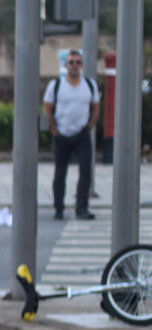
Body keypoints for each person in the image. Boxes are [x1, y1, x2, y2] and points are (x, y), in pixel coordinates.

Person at [42, 49, 100, 220]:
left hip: (81, 134)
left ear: (82, 65)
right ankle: (58, 208)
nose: (74, 66)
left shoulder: (89, 85)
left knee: (85, 171)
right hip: (61, 134)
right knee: (60, 172)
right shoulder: (56, 85)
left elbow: (96, 106)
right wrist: (52, 130)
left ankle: (81, 207)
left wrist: (90, 125)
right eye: (71, 62)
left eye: (78, 62)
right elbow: (47, 107)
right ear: (66, 65)